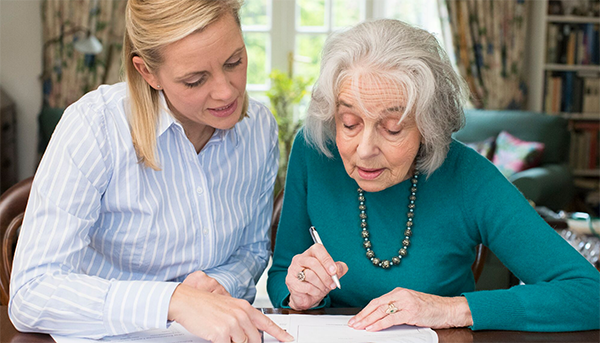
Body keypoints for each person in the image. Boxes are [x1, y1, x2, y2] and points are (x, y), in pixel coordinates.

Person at [267, 18, 600, 332]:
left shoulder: (468, 176)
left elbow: (588, 294)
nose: (364, 149)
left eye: (393, 128)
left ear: (429, 127)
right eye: (349, 123)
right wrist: (300, 292)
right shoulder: (315, 150)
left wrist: (449, 309)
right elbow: (283, 273)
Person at [9, 1, 293, 342]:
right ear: (147, 72)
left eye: (234, 62)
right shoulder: (94, 127)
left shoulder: (258, 129)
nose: (226, 90)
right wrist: (172, 301)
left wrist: (222, 284)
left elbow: (252, 251)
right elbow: (31, 294)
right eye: (194, 80)